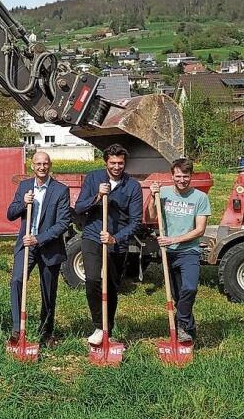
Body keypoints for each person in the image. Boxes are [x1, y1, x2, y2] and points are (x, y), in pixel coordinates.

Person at [74, 144, 142, 346]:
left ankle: (107, 329)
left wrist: (116, 238)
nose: (117, 166)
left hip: (116, 242)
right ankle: (98, 326)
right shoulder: (93, 178)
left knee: (111, 287)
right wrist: (97, 197)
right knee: (93, 280)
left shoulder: (133, 186)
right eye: (113, 163)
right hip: (93, 235)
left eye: (120, 163)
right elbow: (79, 208)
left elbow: (136, 221)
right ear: (106, 163)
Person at [6, 151, 71, 347]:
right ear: (32, 166)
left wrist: (38, 238)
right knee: (17, 280)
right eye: (38, 164)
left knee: (48, 291)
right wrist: (23, 203)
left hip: (49, 246)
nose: (42, 167)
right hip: (26, 245)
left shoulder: (60, 190)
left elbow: (63, 223)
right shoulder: (25, 187)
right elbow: (10, 213)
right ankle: (18, 329)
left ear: (50, 165)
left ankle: (46, 332)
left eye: (45, 163)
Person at [146, 158, 210, 342]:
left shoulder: (200, 198)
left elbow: (200, 230)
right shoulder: (163, 193)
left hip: (189, 250)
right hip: (168, 253)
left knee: (189, 288)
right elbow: (151, 216)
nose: (182, 180)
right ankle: (189, 329)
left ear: (191, 177)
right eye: (178, 176)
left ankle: (182, 325)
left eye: (186, 176)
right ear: (172, 176)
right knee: (177, 294)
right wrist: (152, 197)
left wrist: (173, 239)